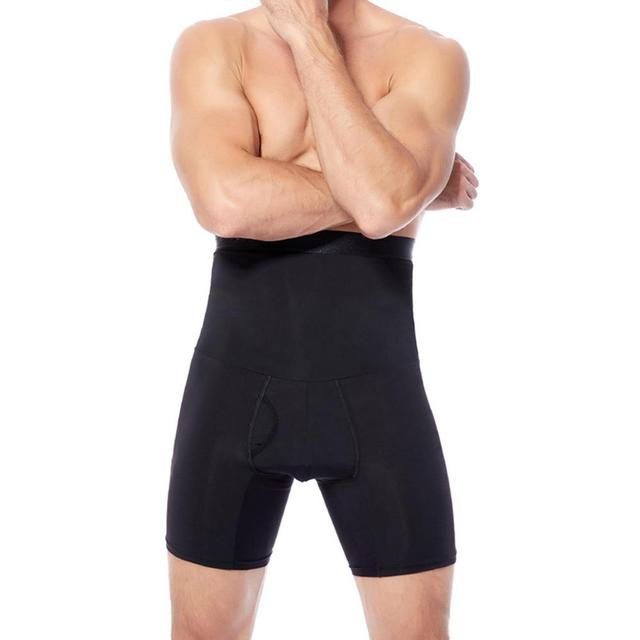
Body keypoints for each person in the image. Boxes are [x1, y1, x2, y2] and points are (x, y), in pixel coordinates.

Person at [165, 1, 478, 638]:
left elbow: (383, 202)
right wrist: (405, 187)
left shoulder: (428, 54)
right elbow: (227, 203)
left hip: (378, 400)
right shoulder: (216, 43)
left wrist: (309, 35)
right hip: (233, 395)